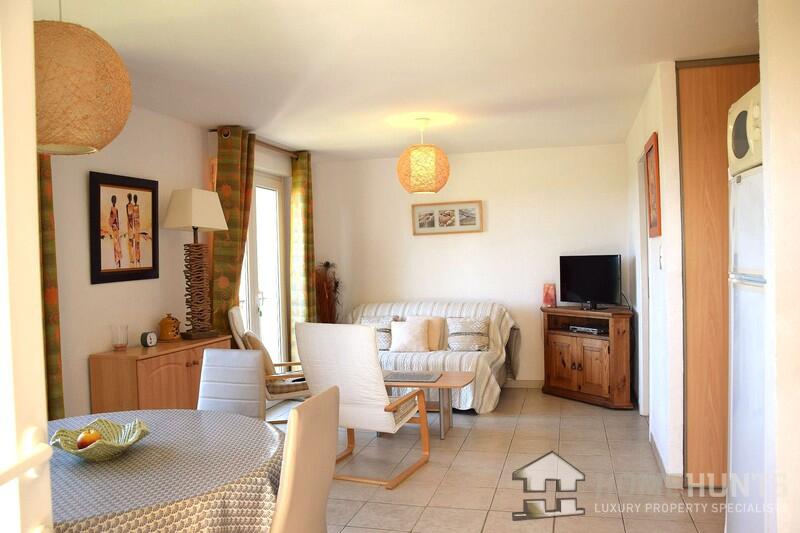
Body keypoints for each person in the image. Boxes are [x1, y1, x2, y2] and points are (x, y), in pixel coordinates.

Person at [109, 195, 122, 268]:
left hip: (117, 229)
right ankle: (117, 260)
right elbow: (110, 221)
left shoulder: (116, 209)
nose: (114, 201)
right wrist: (113, 226)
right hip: (114, 229)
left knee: (118, 244)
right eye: (113, 200)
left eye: (115, 199)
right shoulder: (112, 209)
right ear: (112, 201)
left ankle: (119, 260)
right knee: (116, 244)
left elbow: (117, 219)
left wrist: (118, 227)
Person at [125, 193, 135, 266]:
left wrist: (132, 224)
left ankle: (132, 258)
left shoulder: (133, 206)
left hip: (133, 224)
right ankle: (131, 258)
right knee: (130, 241)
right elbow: (127, 216)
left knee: (132, 241)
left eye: (130, 197)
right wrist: (130, 224)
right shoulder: (127, 205)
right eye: (129, 197)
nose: (130, 198)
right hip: (129, 224)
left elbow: (133, 216)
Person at [132, 194, 141, 266]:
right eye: (134, 198)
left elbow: (138, 216)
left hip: (137, 225)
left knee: (137, 243)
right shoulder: (132, 207)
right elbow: (132, 217)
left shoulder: (137, 206)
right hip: (133, 225)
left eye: (136, 198)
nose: (135, 200)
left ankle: (138, 258)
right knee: (134, 242)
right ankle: (134, 258)